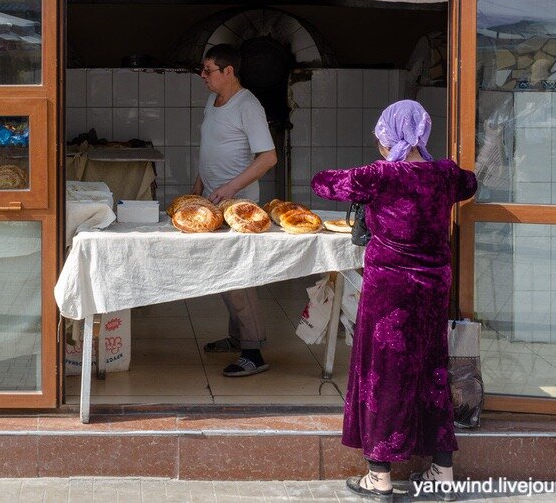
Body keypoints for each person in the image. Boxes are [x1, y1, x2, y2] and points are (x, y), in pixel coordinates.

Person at [311, 100, 477, 503]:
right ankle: (442, 473)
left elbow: (322, 182)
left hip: (390, 289)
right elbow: (471, 183)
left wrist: (379, 164)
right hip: (433, 288)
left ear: (388, 136)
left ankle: (380, 477)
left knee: (383, 374)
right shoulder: (446, 174)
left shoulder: (379, 176)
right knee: (432, 371)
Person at [192, 44, 278, 377]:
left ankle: (254, 351)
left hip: (239, 207)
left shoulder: (248, 105)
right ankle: (238, 336)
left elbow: (268, 157)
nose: (203, 76)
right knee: (224, 274)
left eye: (208, 70)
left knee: (238, 277)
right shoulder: (213, 102)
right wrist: (198, 188)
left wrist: (230, 187)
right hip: (213, 202)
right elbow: (210, 149)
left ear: (228, 71)